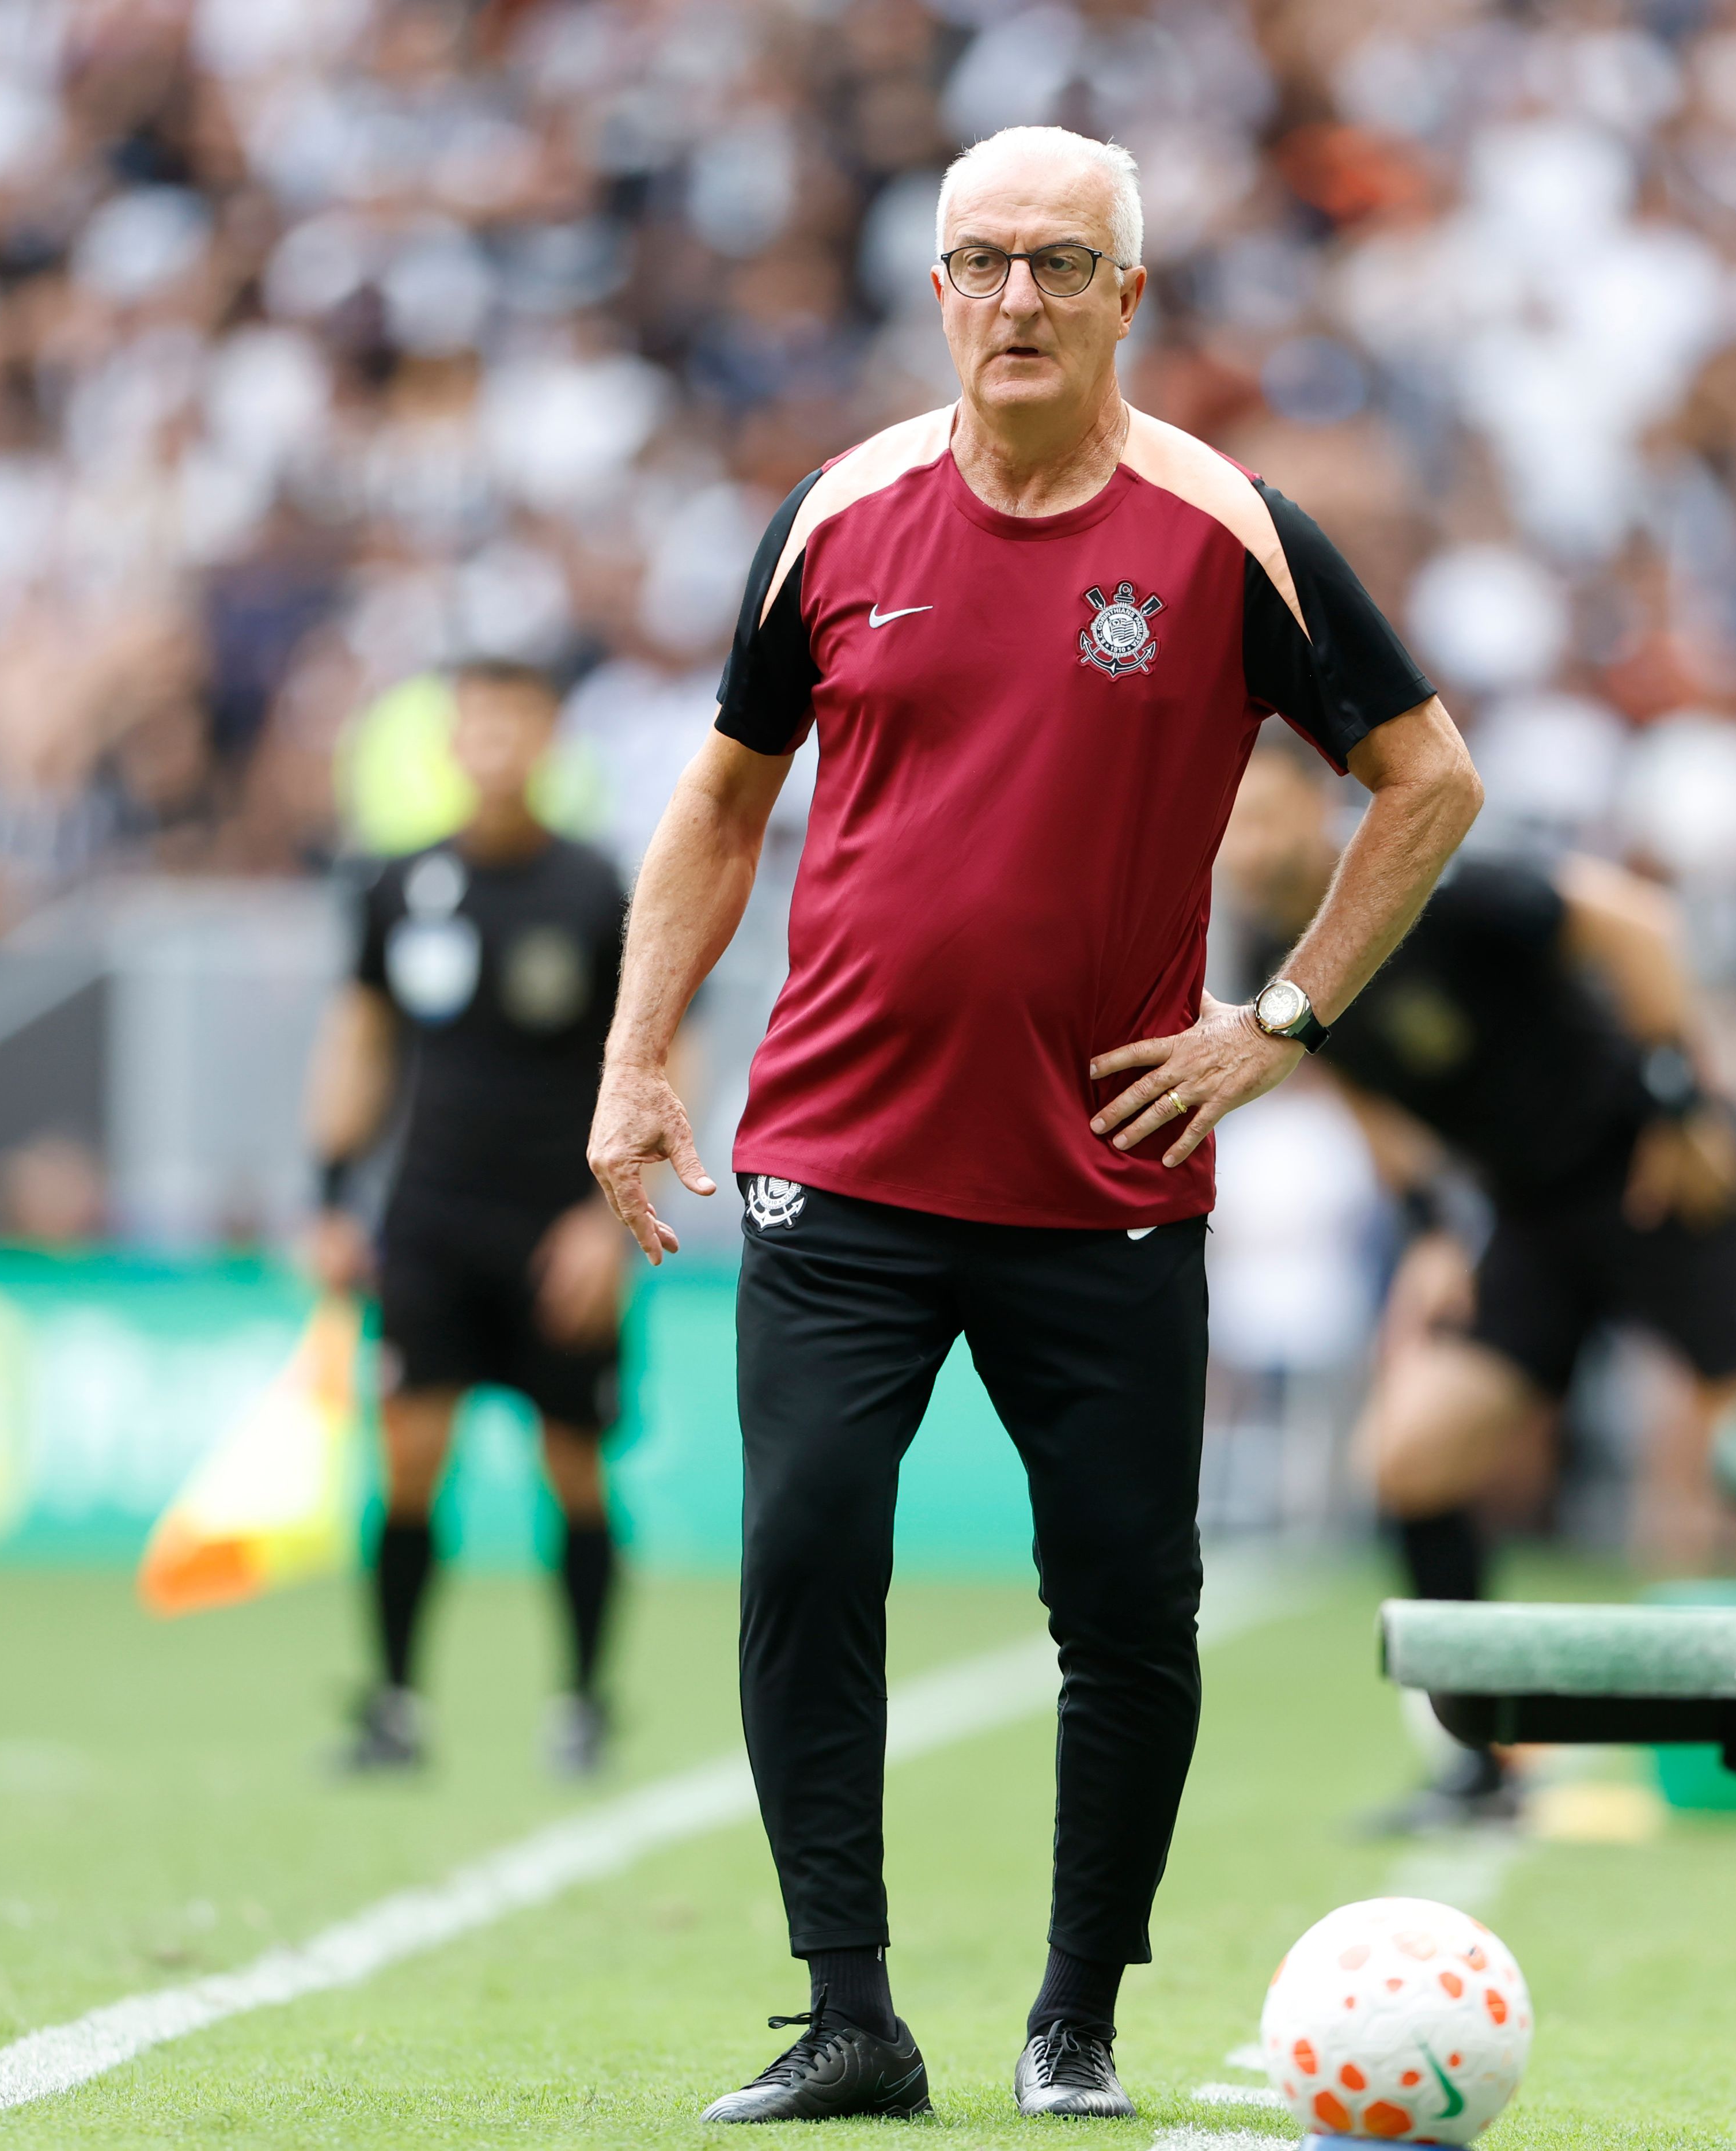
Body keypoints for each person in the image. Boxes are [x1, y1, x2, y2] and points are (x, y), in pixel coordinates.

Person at [583, 125, 1481, 2126]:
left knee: (1128, 1610)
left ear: (1126, 297)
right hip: (838, 1155)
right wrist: (640, 1053)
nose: (1016, 298)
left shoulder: (1229, 531)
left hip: (1106, 1181)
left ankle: (1075, 2019)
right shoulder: (837, 513)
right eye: (982, 260)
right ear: (933, 290)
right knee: (806, 1551)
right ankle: (848, 2013)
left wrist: (1279, 1019)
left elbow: (1428, 778)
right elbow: (720, 799)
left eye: (1061, 264)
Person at [1220, 737, 1736, 1825]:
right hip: (1532, 1220)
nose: (1247, 849)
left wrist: (1685, 1107)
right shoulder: (1275, 952)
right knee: (1409, 1460)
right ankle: (1479, 1762)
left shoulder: (1441, 883)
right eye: (1229, 831)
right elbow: (1357, 1087)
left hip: (1650, 1175)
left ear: (1316, 806)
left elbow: (1638, 926)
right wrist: (1429, 1231)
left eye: (1263, 819)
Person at [306, 660, 631, 1779]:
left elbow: (654, 1050)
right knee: (408, 1458)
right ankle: (396, 1706)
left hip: (558, 1223)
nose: (495, 745)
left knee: (573, 1465)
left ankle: (583, 1706)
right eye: (477, 725)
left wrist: (608, 1217)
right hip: (429, 1219)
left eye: (517, 725)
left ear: (549, 743)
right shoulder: (399, 885)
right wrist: (330, 1196)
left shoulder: (595, 887)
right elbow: (358, 1039)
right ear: (450, 744)